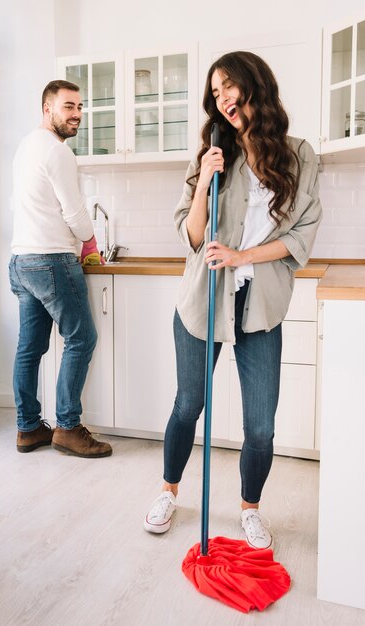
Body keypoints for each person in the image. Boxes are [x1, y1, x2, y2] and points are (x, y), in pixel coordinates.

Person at [144, 51, 322, 548]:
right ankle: (168, 490)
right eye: (215, 91)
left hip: (260, 305)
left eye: (229, 86)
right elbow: (193, 235)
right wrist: (203, 178)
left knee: (261, 426)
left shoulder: (299, 154)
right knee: (187, 405)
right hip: (203, 301)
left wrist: (244, 255)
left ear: (254, 85)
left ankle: (249, 509)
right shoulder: (211, 152)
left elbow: (302, 235)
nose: (222, 98)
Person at [9, 80, 112, 459]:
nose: (77, 114)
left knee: (30, 348)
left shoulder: (24, 148)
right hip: (51, 260)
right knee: (82, 339)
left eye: (80, 107)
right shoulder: (57, 152)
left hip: (21, 260)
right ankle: (67, 428)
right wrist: (89, 243)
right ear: (47, 108)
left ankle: (28, 428)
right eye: (68, 106)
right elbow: (75, 213)